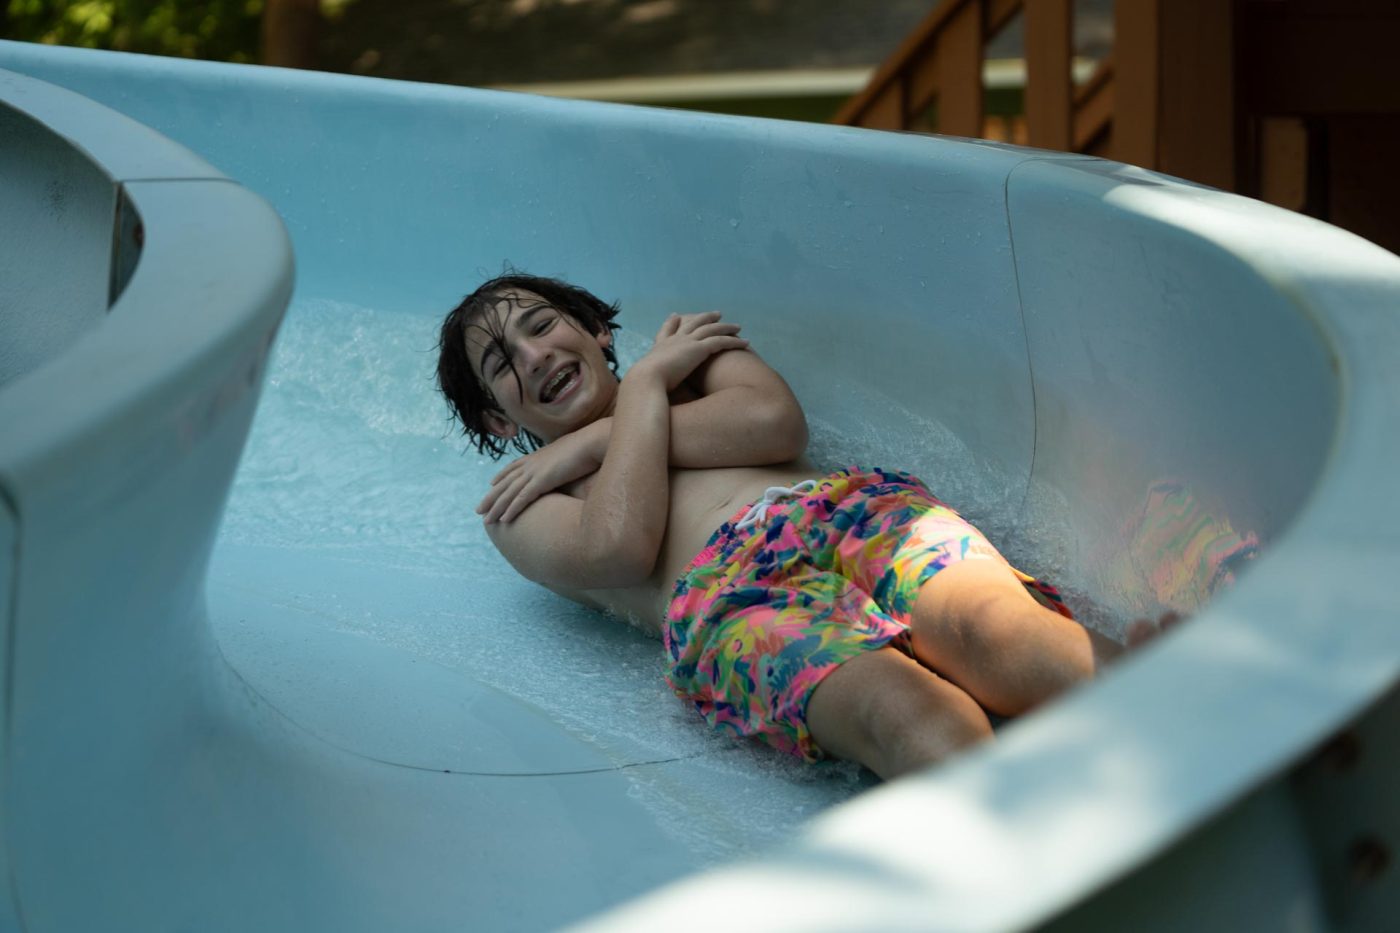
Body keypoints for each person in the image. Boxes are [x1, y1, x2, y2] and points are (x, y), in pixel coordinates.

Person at [436, 273, 1126, 780]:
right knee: (904, 713)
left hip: (845, 513)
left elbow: (775, 424)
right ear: (497, 418)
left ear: (597, 331)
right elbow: (620, 547)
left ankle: (1174, 711)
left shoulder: (691, 357)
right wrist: (642, 389)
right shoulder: (520, 504)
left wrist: (603, 428)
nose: (532, 355)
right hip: (733, 604)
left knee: (994, 628)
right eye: (502, 364)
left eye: (541, 326)